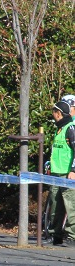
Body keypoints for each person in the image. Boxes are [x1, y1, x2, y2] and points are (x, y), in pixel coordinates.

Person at [47, 101, 75, 247]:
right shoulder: (59, 129)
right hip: (56, 173)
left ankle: (73, 236)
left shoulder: (70, 129)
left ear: (59, 113)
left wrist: (73, 170)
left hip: (67, 174)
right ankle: (55, 235)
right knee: (55, 204)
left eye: (54, 111)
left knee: (71, 206)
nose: (53, 114)